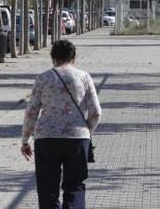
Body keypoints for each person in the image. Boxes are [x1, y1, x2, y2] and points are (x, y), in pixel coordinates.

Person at [21, 39, 101, 209]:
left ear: (53, 57)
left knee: (47, 189)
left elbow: (31, 112)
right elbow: (96, 112)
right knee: (75, 185)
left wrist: (25, 140)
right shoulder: (84, 77)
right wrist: (86, 131)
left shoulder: (43, 78)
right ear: (74, 57)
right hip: (77, 139)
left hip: (47, 139)